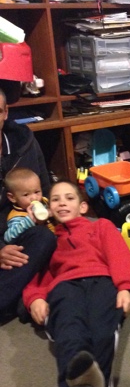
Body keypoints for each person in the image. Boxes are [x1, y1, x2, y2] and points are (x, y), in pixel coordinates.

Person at [22, 180, 130, 387]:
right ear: (48, 209)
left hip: (102, 280)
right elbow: (34, 272)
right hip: (64, 286)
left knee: (102, 332)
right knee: (70, 333)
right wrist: (35, 298)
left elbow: (119, 256)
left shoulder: (101, 226)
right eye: (56, 199)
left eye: (69, 198)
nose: (62, 203)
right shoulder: (48, 239)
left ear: (83, 206)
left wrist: (125, 287)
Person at [0, 88, 56, 321]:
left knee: (48, 238)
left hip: (25, 226)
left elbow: (45, 186)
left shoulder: (23, 141)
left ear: (5, 113)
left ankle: (18, 296)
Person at [4, 167, 54, 243]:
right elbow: (8, 237)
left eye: (37, 192)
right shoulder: (17, 216)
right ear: (12, 197)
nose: (34, 198)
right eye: (26, 195)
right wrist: (29, 221)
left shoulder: (45, 201)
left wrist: (53, 212)